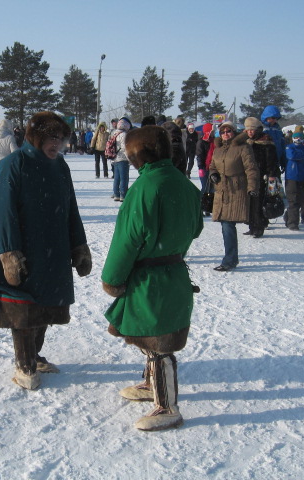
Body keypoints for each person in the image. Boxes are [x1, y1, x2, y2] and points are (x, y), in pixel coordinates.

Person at [0, 111, 92, 390]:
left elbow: (70, 207)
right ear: (36, 137)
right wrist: (9, 252)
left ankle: (34, 356)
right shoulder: (14, 164)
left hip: (53, 247)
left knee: (46, 305)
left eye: (60, 138)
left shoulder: (60, 166)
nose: (56, 144)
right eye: (51, 137)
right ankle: (24, 365)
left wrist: (79, 244)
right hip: (23, 248)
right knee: (22, 308)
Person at [101, 125, 203, 431]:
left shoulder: (145, 188)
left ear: (138, 156)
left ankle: (167, 406)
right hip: (174, 272)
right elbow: (196, 228)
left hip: (149, 276)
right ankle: (151, 384)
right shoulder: (184, 185)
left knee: (159, 343)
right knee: (152, 333)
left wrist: (112, 277)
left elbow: (128, 239)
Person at [208, 122, 259, 271]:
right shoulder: (218, 149)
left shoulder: (243, 147)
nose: (225, 133)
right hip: (221, 190)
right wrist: (213, 175)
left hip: (237, 190)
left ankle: (229, 260)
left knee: (227, 225)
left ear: (234, 132)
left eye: (228, 131)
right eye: (222, 131)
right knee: (225, 224)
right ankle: (231, 258)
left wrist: (252, 187)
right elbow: (212, 166)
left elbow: (251, 168)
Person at [242, 117, 281, 238]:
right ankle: (252, 226)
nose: (250, 132)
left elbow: (272, 161)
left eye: (252, 130)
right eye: (248, 130)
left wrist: (271, 176)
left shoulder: (266, 142)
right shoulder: (247, 142)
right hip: (249, 176)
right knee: (250, 203)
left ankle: (259, 227)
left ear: (257, 129)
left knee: (259, 203)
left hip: (263, 177)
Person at [112, 117, 132, 201]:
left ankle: (116, 194)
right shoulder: (124, 134)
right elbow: (125, 148)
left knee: (117, 178)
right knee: (124, 178)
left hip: (115, 158)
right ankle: (123, 195)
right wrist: (130, 158)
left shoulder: (114, 133)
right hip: (123, 159)